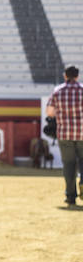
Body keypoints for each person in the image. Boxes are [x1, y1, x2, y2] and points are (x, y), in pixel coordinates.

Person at [46, 65, 83, 206]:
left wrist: (61, 114)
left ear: (65, 76)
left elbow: (49, 112)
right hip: (82, 132)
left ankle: (70, 196)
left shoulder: (58, 91)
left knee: (69, 165)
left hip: (65, 133)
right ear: (77, 76)